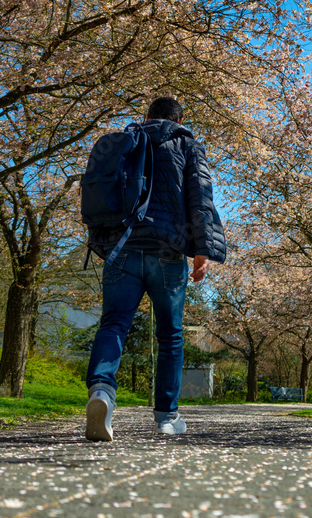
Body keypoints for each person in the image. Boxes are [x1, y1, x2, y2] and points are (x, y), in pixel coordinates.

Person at [84, 96, 227, 440]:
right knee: (171, 336)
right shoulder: (188, 145)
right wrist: (204, 250)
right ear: (181, 119)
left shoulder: (128, 141)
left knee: (114, 325)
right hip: (167, 252)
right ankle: (166, 416)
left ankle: (101, 390)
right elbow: (201, 197)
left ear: (146, 116)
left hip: (123, 249)